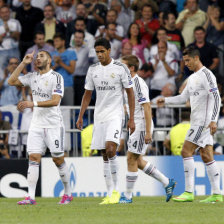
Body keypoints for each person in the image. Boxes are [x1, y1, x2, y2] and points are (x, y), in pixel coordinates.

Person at [157, 47, 223, 203]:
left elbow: (216, 98)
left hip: (203, 122)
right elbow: (182, 97)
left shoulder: (207, 75)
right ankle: (217, 193)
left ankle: (188, 191)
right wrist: (165, 100)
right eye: (184, 61)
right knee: (207, 156)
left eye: (188, 60)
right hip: (199, 121)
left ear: (196, 58)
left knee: (186, 151)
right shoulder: (193, 78)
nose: (186, 64)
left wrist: (213, 119)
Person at [8, 50, 73, 205]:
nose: (37, 59)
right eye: (36, 57)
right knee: (33, 158)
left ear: (49, 60)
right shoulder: (32, 77)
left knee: (58, 159)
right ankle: (30, 197)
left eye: (41, 56)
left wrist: (33, 103)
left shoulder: (56, 77)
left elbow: (55, 101)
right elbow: (11, 81)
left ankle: (68, 193)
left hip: (53, 125)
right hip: (37, 125)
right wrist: (23, 62)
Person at [76, 38, 135, 205]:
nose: (100, 54)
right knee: (103, 153)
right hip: (99, 116)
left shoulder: (120, 68)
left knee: (111, 148)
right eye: (97, 52)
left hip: (116, 115)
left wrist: (130, 118)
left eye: (102, 51)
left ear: (109, 51)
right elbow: (87, 94)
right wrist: (80, 116)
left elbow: (130, 93)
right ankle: (109, 193)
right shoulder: (92, 69)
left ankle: (116, 191)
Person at [119, 55, 176, 204]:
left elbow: (147, 106)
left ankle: (128, 196)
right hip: (136, 124)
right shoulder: (128, 83)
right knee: (137, 160)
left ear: (131, 68)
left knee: (131, 158)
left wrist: (148, 131)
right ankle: (166, 182)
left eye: (122, 65)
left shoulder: (138, 84)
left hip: (142, 125)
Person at [51, 33, 77, 105]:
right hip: (54, 87)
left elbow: (72, 70)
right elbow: (47, 72)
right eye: (54, 41)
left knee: (69, 111)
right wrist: (56, 65)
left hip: (67, 85)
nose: (55, 43)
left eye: (57, 41)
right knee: (54, 112)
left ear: (63, 42)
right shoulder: (51, 54)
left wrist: (60, 62)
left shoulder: (71, 53)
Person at [0, 5, 21, 78]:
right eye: (2, 12)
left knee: (17, 70)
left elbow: (17, 37)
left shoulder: (15, 22)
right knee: (2, 72)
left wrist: (8, 31)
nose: (5, 14)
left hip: (14, 50)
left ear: (9, 13)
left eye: (6, 12)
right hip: (2, 51)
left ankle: (17, 88)